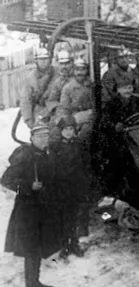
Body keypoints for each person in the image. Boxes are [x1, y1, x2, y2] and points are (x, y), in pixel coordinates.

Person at [2, 123, 61, 287]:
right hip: (28, 209)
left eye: (46, 136)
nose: (44, 140)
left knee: (39, 245)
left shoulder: (48, 153)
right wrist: (28, 186)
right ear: (32, 138)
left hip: (45, 206)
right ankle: (31, 283)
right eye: (40, 137)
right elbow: (6, 180)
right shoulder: (25, 155)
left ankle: (34, 281)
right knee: (32, 248)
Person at [51, 115, 90, 258]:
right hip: (61, 186)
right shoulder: (55, 147)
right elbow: (53, 168)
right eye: (65, 129)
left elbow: (86, 164)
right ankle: (64, 246)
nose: (68, 132)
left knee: (74, 216)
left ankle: (74, 244)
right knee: (63, 217)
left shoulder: (79, 144)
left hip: (77, 185)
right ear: (60, 131)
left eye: (71, 129)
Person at [54, 57, 95, 143]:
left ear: (87, 70)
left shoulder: (93, 86)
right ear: (73, 71)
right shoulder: (68, 88)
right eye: (77, 69)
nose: (80, 72)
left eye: (83, 69)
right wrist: (73, 120)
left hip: (92, 118)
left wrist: (91, 112)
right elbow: (63, 110)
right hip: (74, 120)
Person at [20, 49, 55, 129]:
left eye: (45, 59)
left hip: (56, 108)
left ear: (50, 59)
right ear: (36, 60)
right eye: (40, 59)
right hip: (40, 110)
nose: (43, 61)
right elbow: (25, 100)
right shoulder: (30, 78)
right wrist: (28, 119)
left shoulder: (57, 73)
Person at [41, 49, 74, 123]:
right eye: (61, 64)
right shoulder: (57, 82)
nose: (64, 66)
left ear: (72, 63)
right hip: (62, 112)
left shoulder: (78, 77)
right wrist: (57, 108)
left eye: (67, 63)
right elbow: (51, 100)